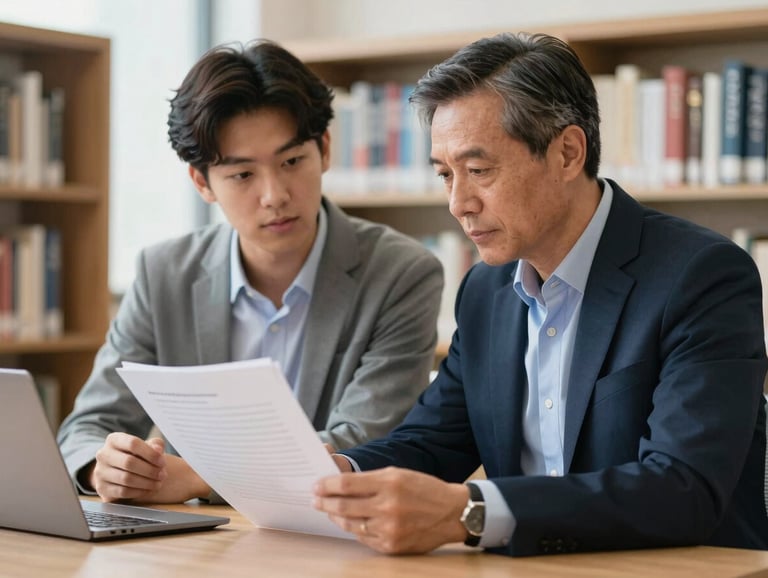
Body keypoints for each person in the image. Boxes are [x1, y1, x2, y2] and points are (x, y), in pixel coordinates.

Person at [312, 32, 768, 556]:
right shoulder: (485, 289)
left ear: (568, 152)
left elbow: (682, 489)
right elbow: (435, 440)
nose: (459, 203)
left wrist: (473, 513)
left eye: (479, 171)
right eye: (445, 175)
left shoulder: (701, 275)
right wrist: (340, 470)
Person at [57, 40, 443, 505]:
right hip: (203, 547)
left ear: (324, 149)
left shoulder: (402, 273)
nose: (274, 195)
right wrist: (104, 468)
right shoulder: (164, 274)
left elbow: (366, 440)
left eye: (292, 161)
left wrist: (200, 479)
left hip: (335, 538)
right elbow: (86, 428)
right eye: (243, 175)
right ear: (202, 183)